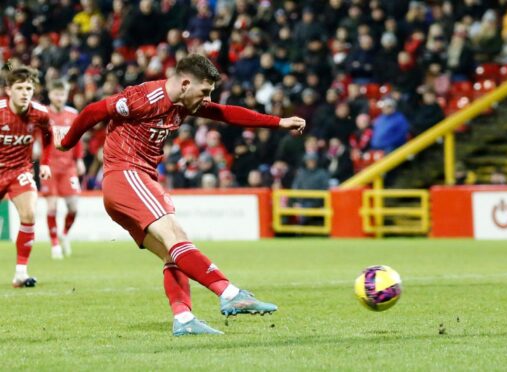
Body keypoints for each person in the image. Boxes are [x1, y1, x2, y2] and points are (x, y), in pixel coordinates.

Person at [57, 54, 306, 336]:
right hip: (126, 175)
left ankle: (184, 319)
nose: (207, 98)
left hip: (134, 182)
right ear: (186, 83)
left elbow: (225, 113)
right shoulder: (145, 96)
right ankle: (230, 293)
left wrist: (277, 122)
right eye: (205, 91)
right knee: (176, 235)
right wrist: (67, 144)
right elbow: (93, 111)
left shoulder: (183, 103)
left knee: (172, 252)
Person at [0, 64, 53, 288]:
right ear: (9, 90)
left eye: (29, 88)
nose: (25, 93)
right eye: (20, 88)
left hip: (20, 170)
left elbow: (49, 138)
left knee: (29, 213)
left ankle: (21, 273)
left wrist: (46, 163)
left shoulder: (40, 113)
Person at [42, 80, 85, 259]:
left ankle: (64, 234)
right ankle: (54, 245)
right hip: (50, 166)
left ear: (66, 95)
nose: (59, 97)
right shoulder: (43, 114)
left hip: (69, 167)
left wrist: (80, 159)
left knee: (73, 207)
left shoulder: (73, 114)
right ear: (50, 94)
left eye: (62, 94)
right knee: (52, 207)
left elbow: (78, 137)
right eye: (56, 94)